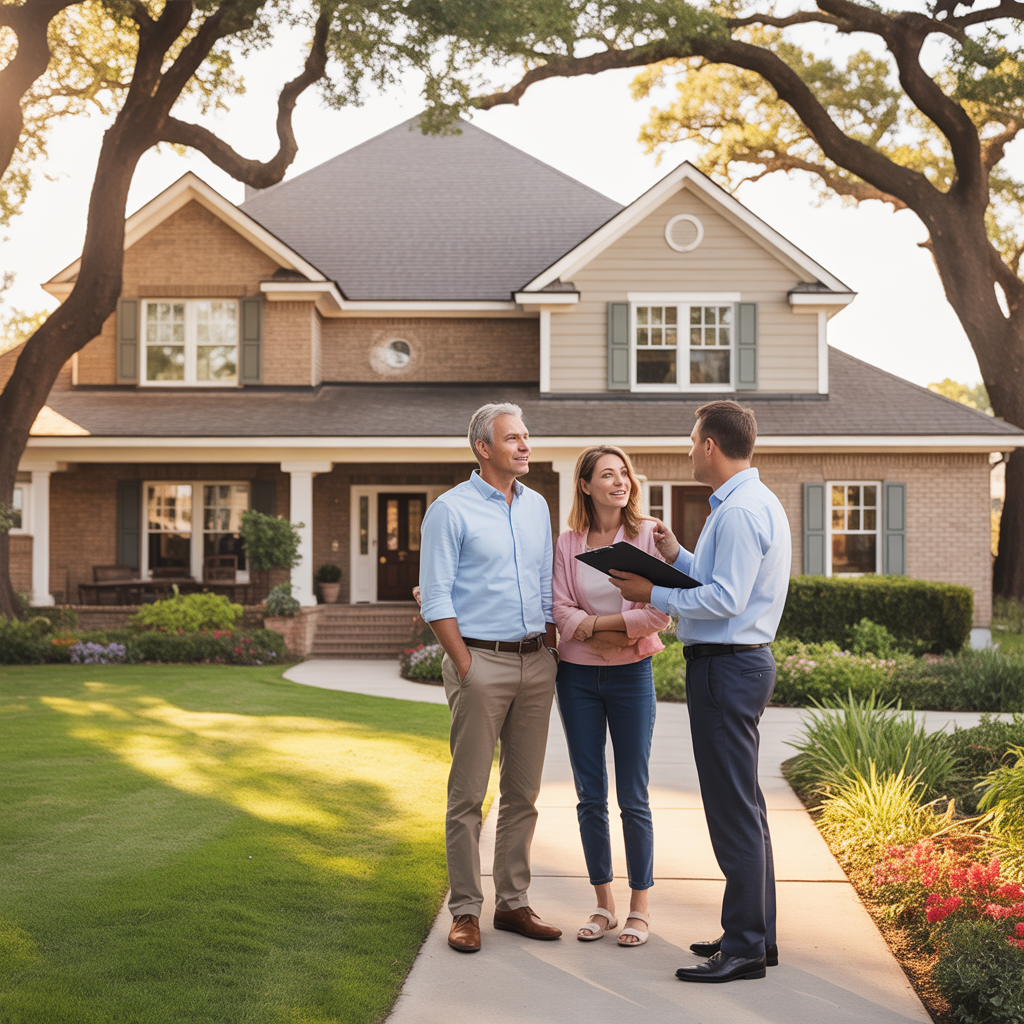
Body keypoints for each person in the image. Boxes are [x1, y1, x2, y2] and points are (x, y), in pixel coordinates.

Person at [609, 400, 791, 984]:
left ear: (710, 445)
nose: (689, 450)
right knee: (747, 807)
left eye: (692, 442)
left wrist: (651, 592)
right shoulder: (750, 503)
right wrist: (676, 557)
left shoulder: (738, 513)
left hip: (725, 669)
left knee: (733, 811)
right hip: (737, 666)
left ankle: (743, 948)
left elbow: (726, 600)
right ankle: (756, 935)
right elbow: (719, 582)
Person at [418, 402, 562, 954]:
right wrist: (465, 665)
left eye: (526, 436)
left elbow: (546, 585)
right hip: (480, 662)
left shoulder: (536, 506)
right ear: (484, 448)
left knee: (523, 793)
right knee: (468, 795)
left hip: (535, 662)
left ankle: (513, 903)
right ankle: (464, 910)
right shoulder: (449, 511)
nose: (525, 446)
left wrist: (550, 649)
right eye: (513, 438)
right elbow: (436, 597)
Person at [552, 446, 671, 947]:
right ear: (585, 485)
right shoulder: (567, 543)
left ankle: (640, 907)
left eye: (624, 473)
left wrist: (598, 628)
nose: (620, 481)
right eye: (607, 474)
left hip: (631, 677)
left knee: (634, 795)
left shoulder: (646, 536)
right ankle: (603, 904)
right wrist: (606, 628)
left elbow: (659, 611)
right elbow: (560, 609)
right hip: (576, 679)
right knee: (590, 795)